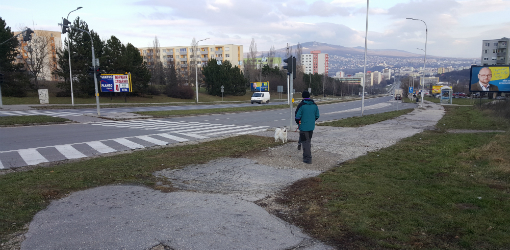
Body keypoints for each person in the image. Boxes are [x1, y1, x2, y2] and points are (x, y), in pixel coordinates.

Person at [295, 90, 320, 164]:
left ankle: (307, 158)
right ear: (309, 96)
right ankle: (306, 154)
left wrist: (299, 123)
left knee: (305, 142)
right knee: (308, 141)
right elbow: (317, 115)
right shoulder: (314, 105)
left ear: (303, 96)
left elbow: (297, 117)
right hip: (311, 127)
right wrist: (312, 121)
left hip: (303, 127)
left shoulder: (301, 105)